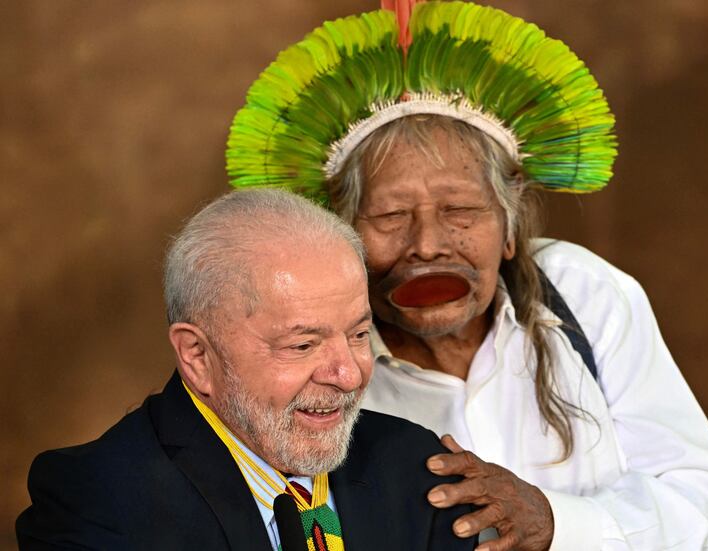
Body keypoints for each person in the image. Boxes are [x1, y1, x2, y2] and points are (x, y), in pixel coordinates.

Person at [225, 1, 708, 549]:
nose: (427, 244)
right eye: (390, 216)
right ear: (341, 236)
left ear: (508, 229)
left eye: (460, 212)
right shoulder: (308, 366)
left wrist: (552, 521)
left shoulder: (583, 293)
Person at [16, 189, 476, 550]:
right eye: (303, 344)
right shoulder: (95, 499)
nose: (349, 375)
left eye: (358, 335)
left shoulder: (417, 466)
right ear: (197, 356)